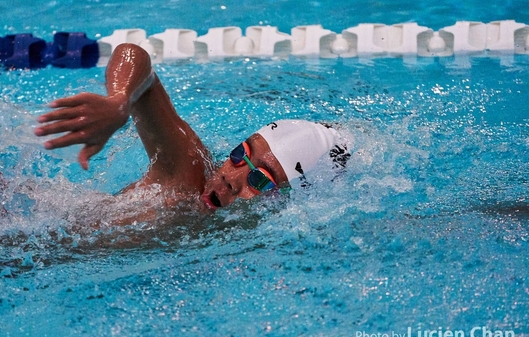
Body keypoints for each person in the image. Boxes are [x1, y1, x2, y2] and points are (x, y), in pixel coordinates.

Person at [35, 43, 350, 213]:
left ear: (282, 199)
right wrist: (120, 101)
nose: (229, 177)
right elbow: (134, 57)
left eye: (259, 179)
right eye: (241, 154)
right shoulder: (189, 175)